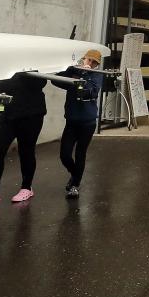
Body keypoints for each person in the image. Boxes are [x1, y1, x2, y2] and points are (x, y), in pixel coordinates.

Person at [0, 71, 48, 209]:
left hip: (31, 116)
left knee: (26, 151)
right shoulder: (3, 71)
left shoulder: (32, 67)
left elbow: (40, 83)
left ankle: (26, 188)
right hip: (7, 117)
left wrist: (24, 70)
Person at [52, 49, 103, 199]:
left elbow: (91, 92)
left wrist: (84, 75)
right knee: (64, 155)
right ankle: (76, 176)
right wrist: (71, 69)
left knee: (80, 154)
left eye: (94, 62)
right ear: (84, 59)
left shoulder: (97, 75)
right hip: (72, 121)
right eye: (88, 59)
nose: (90, 63)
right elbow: (56, 80)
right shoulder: (74, 72)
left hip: (87, 122)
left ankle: (75, 185)